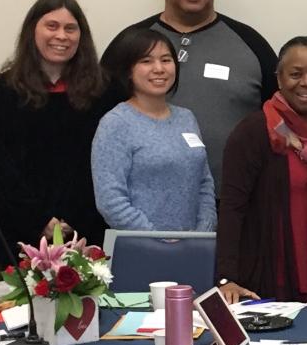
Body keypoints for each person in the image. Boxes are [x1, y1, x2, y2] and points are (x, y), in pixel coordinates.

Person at [104, 0, 278, 184]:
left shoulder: (251, 44)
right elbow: (101, 117)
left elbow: (279, 118)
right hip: (142, 201)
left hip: (236, 201)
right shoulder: (130, 43)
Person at [0, 0, 116, 274]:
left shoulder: (106, 93)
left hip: (88, 232)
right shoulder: (1, 92)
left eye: (70, 28)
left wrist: (76, 221)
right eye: (52, 26)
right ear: (32, 31)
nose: (61, 35)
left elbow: (111, 166)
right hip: (21, 232)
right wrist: (38, 220)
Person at [214, 37, 307, 319]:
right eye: (296, 74)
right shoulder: (253, 132)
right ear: (279, 77)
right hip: (274, 272)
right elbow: (232, 207)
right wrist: (226, 276)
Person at [91, 28, 217, 232]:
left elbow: (204, 183)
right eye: (146, 61)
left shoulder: (186, 118)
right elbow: (111, 201)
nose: (159, 68)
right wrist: (158, 239)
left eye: (166, 60)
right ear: (128, 71)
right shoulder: (116, 123)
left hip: (193, 247)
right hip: (141, 249)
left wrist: (203, 231)